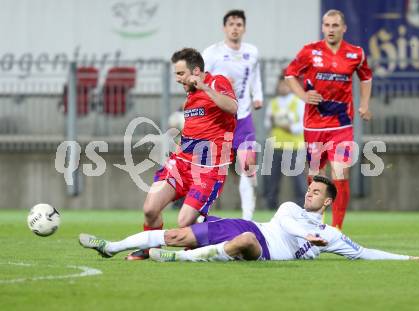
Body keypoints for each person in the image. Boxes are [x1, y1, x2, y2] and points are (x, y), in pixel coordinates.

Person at [79, 176, 419, 262]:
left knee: (245, 245)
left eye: (317, 193)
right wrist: (310, 240)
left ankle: (178, 260)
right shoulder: (291, 209)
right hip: (249, 227)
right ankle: (111, 246)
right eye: (310, 189)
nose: (309, 194)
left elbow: (363, 252)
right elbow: (288, 228)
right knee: (176, 234)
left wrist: (408, 257)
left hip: (262, 248)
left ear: (328, 201)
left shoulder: (330, 234)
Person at [125, 48, 238, 260]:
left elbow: (232, 107)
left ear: (196, 71)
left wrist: (204, 87)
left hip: (209, 168)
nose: (177, 79)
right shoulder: (190, 96)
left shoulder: (216, 82)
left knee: (184, 222)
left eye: (180, 74)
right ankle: (149, 249)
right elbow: (198, 127)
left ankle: (224, 234)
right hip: (181, 163)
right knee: (150, 209)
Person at [284, 9, 373, 229]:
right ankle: (315, 222)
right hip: (314, 125)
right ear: (322, 27)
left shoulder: (356, 53)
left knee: (341, 172)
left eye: (335, 25)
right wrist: (303, 96)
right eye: (327, 25)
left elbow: (366, 77)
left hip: (341, 124)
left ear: (344, 28)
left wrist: (364, 104)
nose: (330, 29)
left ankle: (337, 228)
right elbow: (289, 75)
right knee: (315, 176)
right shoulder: (309, 51)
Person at [202, 10, 263, 220]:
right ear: (224, 28)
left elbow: (255, 76)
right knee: (213, 170)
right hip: (219, 120)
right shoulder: (212, 53)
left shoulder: (252, 52)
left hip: (243, 117)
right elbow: (200, 80)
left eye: (239, 24)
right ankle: (202, 213)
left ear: (244, 28)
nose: (235, 28)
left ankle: (248, 218)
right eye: (231, 24)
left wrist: (258, 96)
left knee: (248, 166)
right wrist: (218, 83)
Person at [264, 73, 307, 209]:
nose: (283, 87)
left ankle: (302, 209)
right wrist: (274, 123)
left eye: (286, 85)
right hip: (276, 147)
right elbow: (267, 123)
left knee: (299, 183)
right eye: (281, 84)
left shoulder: (299, 102)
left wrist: (289, 127)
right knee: (272, 183)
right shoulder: (273, 103)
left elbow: (302, 124)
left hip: (294, 147)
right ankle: (270, 209)